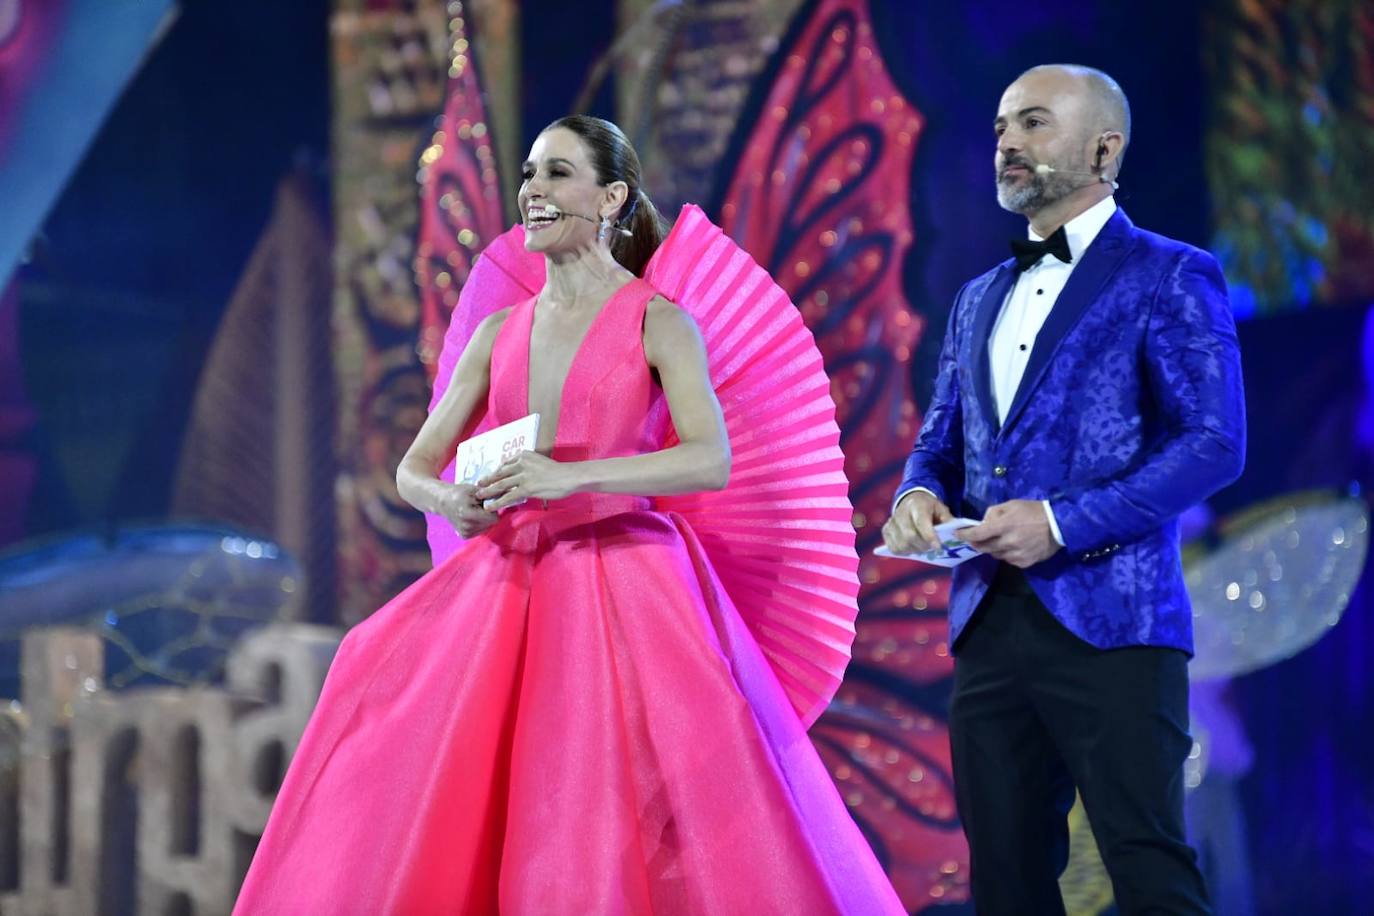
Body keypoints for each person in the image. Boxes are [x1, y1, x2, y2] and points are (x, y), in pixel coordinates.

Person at [234, 115, 904, 914]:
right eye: (529, 174)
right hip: (507, 582)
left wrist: (570, 477)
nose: (533, 191)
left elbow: (707, 458)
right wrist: (453, 500)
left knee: (607, 802)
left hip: (626, 581)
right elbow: (415, 467)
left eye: (556, 174)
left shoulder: (660, 319)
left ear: (611, 196)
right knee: (389, 698)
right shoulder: (496, 331)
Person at [883, 65, 1245, 915]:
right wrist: (913, 497)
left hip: (1115, 620)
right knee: (1005, 879)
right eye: (1004, 125)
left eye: (1035, 124)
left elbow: (1214, 443)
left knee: (1148, 865)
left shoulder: (1171, 273)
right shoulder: (978, 298)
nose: (1007, 141)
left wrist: (1061, 522)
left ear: (1103, 148)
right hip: (986, 618)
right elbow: (941, 441)